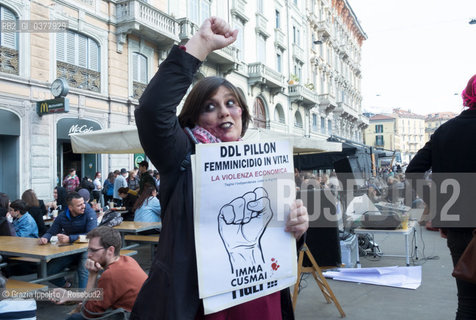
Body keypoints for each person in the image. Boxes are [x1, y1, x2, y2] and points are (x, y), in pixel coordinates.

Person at [131, 17, 309, 320]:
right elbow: (152, 109)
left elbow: (283, 237)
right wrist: (199, 45)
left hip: (261, 300)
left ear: (242, 112)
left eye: (231, 103)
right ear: (194, 118)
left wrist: (298, 227)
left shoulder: (268, 163)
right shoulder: (183, 156)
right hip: (198, 304)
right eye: (210, 106)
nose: (224, 111)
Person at [405, 74, 476, 319]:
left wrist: (440, 207)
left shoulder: (445, 131)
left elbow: (413, 172)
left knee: (467, 301)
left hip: (459, 226)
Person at [52, 226, 147, 320]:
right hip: (144, 313)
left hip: (131, 316)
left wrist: (92, 274)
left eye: (93, 250)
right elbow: (97, 296)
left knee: (74, 318)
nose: (89, 255)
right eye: (88, 249)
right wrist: (69, 295)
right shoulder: (127, 260)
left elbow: (88, 313)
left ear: (110, 250)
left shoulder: (111, 275)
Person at [39, 192, 97, 288]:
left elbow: (92, 235)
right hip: (71, 249)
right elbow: (51, 231)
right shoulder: (62, 216)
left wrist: (70, 238)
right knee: (48, 271)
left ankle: (83, 300)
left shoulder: (89, 212)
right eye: (79, 205)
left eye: (83, 203)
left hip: (90, 248)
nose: (84, 206)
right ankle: (66, 286)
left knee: (83, 269)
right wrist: (45, 238)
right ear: (70, 207)